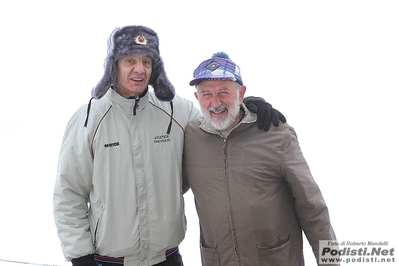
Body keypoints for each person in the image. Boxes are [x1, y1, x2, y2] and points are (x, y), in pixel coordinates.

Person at [53, 26, 285, 266]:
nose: (139, 69)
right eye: (129, 60)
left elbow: (218, 124)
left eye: (146, 61)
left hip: (167, 258)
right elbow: (68, 192)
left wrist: (246, 107)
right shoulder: (88, 118)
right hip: (108, 261)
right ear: (114, 65)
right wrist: (80, 256)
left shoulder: (177, 110)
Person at [183, 52, 338, 266]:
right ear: (197, 97)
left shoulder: (276, 134)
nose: (215, 102)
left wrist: (331, 262)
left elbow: (312, 207)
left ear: (241, 93)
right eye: (207, 94)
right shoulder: (190, 138)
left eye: (224, 92)